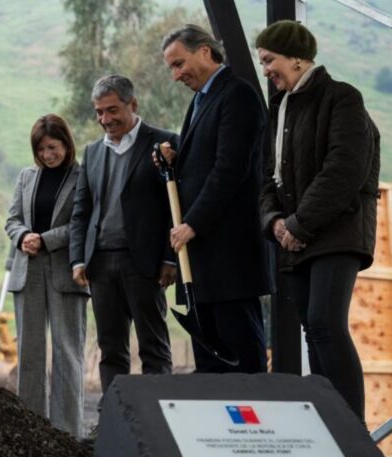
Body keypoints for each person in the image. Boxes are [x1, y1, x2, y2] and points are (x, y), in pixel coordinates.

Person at [256, 21, 380, 421]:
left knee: (326, 324)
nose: (266, 70)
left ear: (297, 58)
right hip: (295, 237)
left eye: (269, 60)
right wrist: (275, 221)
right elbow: (267, 177)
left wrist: (298, 224)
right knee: (313, 329)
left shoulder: (342, 98)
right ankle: (330, 424)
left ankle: (351, 428)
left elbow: (344, 170)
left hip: (336, 233)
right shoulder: (280, 107)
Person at [158, 25, 269, 373]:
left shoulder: (238, 95)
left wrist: (193, 223)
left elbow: (229, 169)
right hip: (202, 260)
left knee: (242, 356)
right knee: (211, 364)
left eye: (179, 64)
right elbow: (206, 161)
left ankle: (256, 424)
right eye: (171, 68)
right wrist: (175, 156)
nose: (176, 75)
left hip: (229, 257)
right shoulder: (202, 100)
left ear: (205, 51)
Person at [69, 75, 178, 429]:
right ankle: (114, 420)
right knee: (111, 349)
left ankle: (156, 419)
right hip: (100, 264)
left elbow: (176, 207)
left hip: (144, 263)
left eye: (112, 110)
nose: (105, 119)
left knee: (153, 346)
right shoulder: (92, 152)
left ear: (133, 105)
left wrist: (168, 258)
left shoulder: (165, 143)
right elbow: (81, 211)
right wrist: (78, 258)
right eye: (99, 112)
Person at [5, 114, 88, 438]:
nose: (47, 155)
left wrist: (46, 239)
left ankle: (67, 432)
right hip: (28, 273)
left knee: (67, 352)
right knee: (29, 354)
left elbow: (82, 223)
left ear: (67, 144)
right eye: (40, 149)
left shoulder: (83, 177)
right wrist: (23, 234)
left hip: (67, 274)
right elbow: (11, 219)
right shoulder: (26, 177)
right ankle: (32, 431)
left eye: (52, 147)